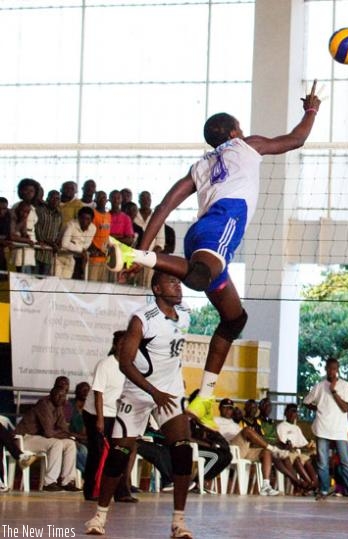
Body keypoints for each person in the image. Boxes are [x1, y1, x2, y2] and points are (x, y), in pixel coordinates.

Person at [105, 83, 322, 431]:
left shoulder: (200, 165)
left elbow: (163, 206)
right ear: (235, 131)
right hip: (223, 223)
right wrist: (311, 109)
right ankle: (138, 255)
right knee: (199, 277)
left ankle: (204, 397)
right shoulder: (247, 145)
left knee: (234, 319)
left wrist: (144, 244)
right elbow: (296, 139)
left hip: (200, 234)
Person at [84, 271, 194, 537]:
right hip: (138, 393)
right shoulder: (142, 319)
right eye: (171, 282)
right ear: (157, 289)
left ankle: (178, 522)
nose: (177, 286)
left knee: (182, 450)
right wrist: (152, 391)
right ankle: (99, 517)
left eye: (179, 282)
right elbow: (124, 362)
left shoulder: (186, 314)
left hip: (169, 392)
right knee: (119, 454)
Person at [303, 357, 348, 502]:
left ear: (338, 370)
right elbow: (306, 402)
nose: (332, 371)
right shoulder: (319, 386)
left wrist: (334, 392)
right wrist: (317, 408)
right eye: (329, 369)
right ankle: (323, 490)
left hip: (339, 429)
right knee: (322, 462)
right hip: (322, 427)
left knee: (345, 461)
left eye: (334, 369)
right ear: (326, 369)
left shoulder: (344, 386)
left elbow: (345, 408)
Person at [82, 331, 129, 502]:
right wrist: (100, 420)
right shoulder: (105, 365)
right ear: (116, 345)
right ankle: (91, 490)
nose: (125, 347)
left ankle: (119, 491)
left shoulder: (130, 366)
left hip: (115, 413)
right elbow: (98, 394)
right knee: (97, 451)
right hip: (96, 412)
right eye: (122, 343)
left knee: (119, 452)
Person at [14, 386, 80, 492]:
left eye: (63, 396)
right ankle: (49, 482)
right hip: (24, 438)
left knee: (70, 443)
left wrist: (70, 435)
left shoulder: (58, 407)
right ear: (51, 395)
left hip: (38, 438)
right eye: (58, 395)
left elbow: (64, 429)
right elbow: (49, 433)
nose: (60, 398)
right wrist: (63, 433)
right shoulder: (44, 404)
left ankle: (67, 481)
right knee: (56, 443)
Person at [277, 403, 319, 492]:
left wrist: (311, 446)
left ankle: (314, 483)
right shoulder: (281, 426)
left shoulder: (296, 428)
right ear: (286, 413)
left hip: (297, 452)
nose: (293, 414)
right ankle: (310, 485)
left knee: (307, 460)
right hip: (287, 453)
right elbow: (282, 443)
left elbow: (303, 443)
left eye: (295, 411)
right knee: (298, 460)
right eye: (291, 411)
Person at [55, 206, 96, 279]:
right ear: (79, 217)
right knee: (55, 282)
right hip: (59, 257)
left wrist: (74, 244)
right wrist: (80, 249)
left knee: (66, 284)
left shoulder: (93, 228)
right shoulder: (71, 224)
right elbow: (64, 244)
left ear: (91, 220)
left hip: (72, 260)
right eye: (83, 218)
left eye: (87, 219)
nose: (84, 221)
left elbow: (86, 246)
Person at [34, 189, 63, 276]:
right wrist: (49, 242)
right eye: (52, 198)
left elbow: (58, 231)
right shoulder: (39, 210)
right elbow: (36, 228)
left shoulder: (59, 215)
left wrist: (56, 243)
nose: (55, 200)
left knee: (44, 283)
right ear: (47, 199)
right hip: (37, 251)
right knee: (32, 281)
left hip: (49, 254)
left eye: (57, 198)